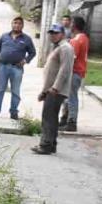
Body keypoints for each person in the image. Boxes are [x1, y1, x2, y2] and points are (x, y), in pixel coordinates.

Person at [33, 24, 74, 155]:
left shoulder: (65, 48)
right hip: (51, 89)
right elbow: (53, 71)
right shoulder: (58, 47)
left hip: (57, 90)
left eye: (55, 33)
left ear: (62, 34)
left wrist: (55, 87)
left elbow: (64, 70)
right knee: (51, 117)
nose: (53, 35)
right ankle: (51, 144)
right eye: (51, 33)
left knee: (48, 117)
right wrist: (44, 91)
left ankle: (45, 144)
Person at [0, 16, 36, 120]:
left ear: (22, 25)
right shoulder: (4, 36)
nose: (17, 25)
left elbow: (33, 52)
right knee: (0, 89)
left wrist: (26, 60)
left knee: (15, 91)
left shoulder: (26, 39)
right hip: (3, 67)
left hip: (17, 68)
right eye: (15, 23)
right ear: (12, 24)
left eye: (19, 23)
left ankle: (14, 112)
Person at [60, 15, 89, 132]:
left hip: (74, 71)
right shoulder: (84, 38)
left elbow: (71, 57)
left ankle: (71, 122)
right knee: (68, 97)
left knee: (71, 97)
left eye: (71, 23)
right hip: (79, 72)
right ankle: (65, 119)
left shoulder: (76, 40)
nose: (70, 24)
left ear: (75, 25)